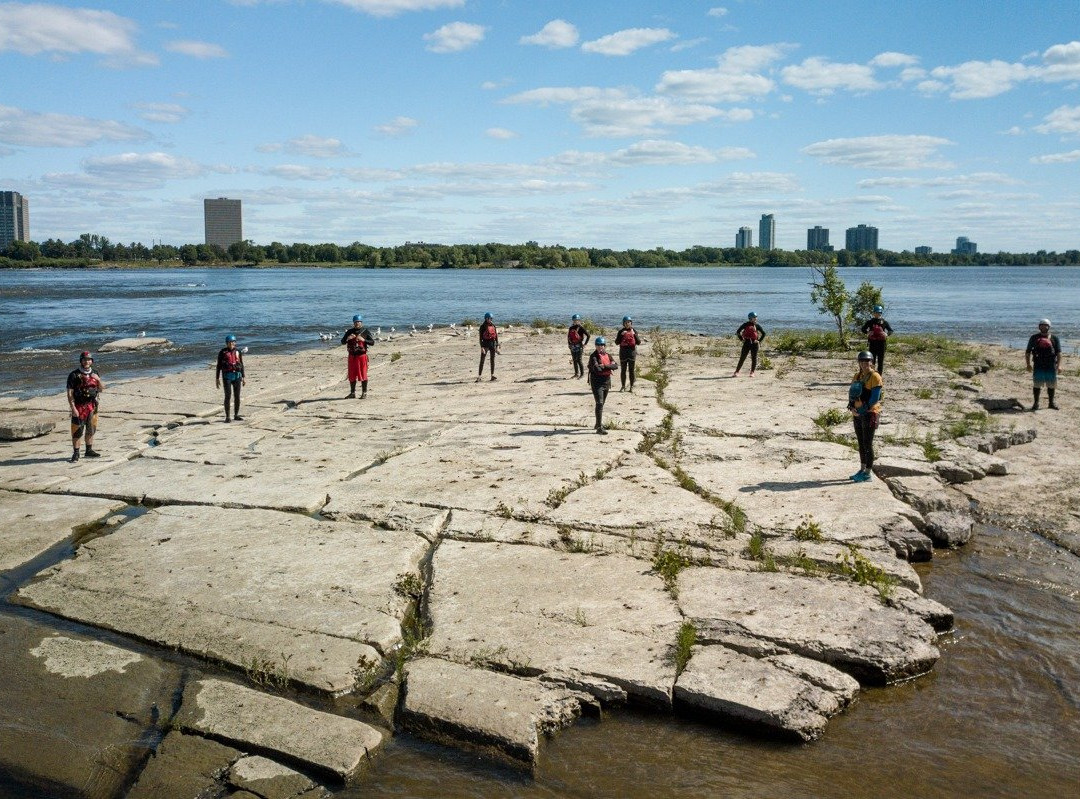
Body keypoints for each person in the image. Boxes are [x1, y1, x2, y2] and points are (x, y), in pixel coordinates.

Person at [847, 350, 883, 483]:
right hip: (857, 413)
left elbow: (875, 397)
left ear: (871, 362)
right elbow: (852, 393)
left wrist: (864, 409)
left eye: (867, 361)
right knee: (861, 443)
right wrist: (851, 407)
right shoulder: (857, 376)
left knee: (867, 443)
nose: (864, 363)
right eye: (861, 361)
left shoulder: (875, 377)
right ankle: (862, 469)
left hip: (870, 413)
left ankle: (868, 473)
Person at [66, 351, 104, 462]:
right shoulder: (74, 375)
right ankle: (76, 453)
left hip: (92, 406)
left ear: (92, 361)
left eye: (89, 360)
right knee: (77, 430)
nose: (87, 362)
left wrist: (98, 379)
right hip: (79, 406)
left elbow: (101, 389)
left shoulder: (95, 373)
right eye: (84, 360)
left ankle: (89, 450)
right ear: (81, 361)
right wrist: (73, 408)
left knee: (91, 429)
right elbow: (69, 393)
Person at [1026, 318, 1061, 410]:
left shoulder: (1054, 338)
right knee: (1037, 384)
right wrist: (1028, 364)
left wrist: (1059, 365)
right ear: (1039, 327)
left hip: (1051, 364)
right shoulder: (1033, 337)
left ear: (1049, 327)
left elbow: (1059, 353)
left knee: (1051, 384)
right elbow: (1028, 352)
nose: (1043, 327)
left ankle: (1051, 403)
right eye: (1041, 326)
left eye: (1045, 326)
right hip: (1038, 364)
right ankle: (1036, 403)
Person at [588, 336, 619, 434]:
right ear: (595, 346)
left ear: (604, 346)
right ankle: (599, 427)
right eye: (598, 345)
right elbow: (597, 369)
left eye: (602, 345)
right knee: (599, 403)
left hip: (606, 381)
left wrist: (605, 366)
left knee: (602, 403)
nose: (600, 346)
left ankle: (597, 423)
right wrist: (609, 367)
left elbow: (616, 366)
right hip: (596, 382)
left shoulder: (608, 355)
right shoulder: (593, 356)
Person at [341, 314, 375, 398]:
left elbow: (372, 342)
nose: (357, 323)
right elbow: (342, 342)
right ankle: (352, 393)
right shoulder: (349, 332)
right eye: (356, 322)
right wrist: (348, 338)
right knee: (351, 375)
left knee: (363, 374)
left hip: (361, 356)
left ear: (361, 322)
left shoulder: (365, 331)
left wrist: (363, 340)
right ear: (353, 323)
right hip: (352, 356)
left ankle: (364, 393)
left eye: (359, 322)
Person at [215, 334, 246, 421]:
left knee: (237, 396)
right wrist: (217, 378)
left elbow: (241, 364)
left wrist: (243, 377)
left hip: (237, 376)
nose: (231, 343)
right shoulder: (222, 352)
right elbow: (218, 366)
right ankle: (228, 417)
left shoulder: (238, 352)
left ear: (235, 342)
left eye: (233, 342)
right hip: (227, 377)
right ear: (226, 343)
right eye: (229, 342)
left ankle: (236, 415)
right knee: (227, 396)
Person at [861, 304, 893, 375]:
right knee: (872, 360)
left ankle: (879, 376)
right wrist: (867, 332)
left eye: (879, 313)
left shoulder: (884, 322)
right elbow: (863, 329)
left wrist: (886, 334)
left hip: (882, 344)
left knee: (880, 361)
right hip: (872, 343)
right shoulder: (870, 322)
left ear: (881, 313)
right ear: (873, 313)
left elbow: (891, 330)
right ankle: (872, 375)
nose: (877, 314)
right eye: (876, 312)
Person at [733, 311, 766, 377]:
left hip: (754, 344)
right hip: (746, 343)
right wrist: (742, 340)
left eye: (756, 317)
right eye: (754, 317)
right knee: (742, 358)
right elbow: (738, 332)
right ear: (750, 318)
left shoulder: (757, 325)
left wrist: (759, 341)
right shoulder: (745, 324)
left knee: (754, 358)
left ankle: (752, 372)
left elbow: (764, 333)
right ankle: (736, 372)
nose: (756, 318)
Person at [614, 316, 640, 392]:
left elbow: (638, 342)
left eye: (629, 322)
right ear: (623, 324)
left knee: (631, 371)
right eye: (626, 322)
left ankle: (631, 386)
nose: (627, 324)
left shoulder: (634, 330)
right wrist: (621, 335)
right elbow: (616, 342)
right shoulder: (620, 331)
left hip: (632, 353)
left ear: (631, 323)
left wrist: (634, 334)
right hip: (623, 353)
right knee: (623, 370)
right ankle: (623, 386)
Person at [567, 314, 591, 378]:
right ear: (572, 320)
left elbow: (588, 335)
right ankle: (576, 374)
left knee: (579, 360)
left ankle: (582, 374)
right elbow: (568, 337)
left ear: (579, 320)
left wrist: (585, 344)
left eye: (577, 320)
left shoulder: (581, 328)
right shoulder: (571, 328)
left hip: (579, 345)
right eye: (574, 320)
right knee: (574, 360)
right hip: (573, 345)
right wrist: (569, 344)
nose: (575, 321)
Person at [477, 312, 499, 382]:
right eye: (490, 318)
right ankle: (479, 377)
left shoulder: (493, 325)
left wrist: (497, 345)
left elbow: (496, 336)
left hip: (492, 344)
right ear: (486, 318)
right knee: (482, 361)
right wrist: (482, 347)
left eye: (492, 318)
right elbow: (480, 338)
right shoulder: (482, 327)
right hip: (485, 345)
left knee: (492, 360)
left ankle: (492, 375)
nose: (491, 320)